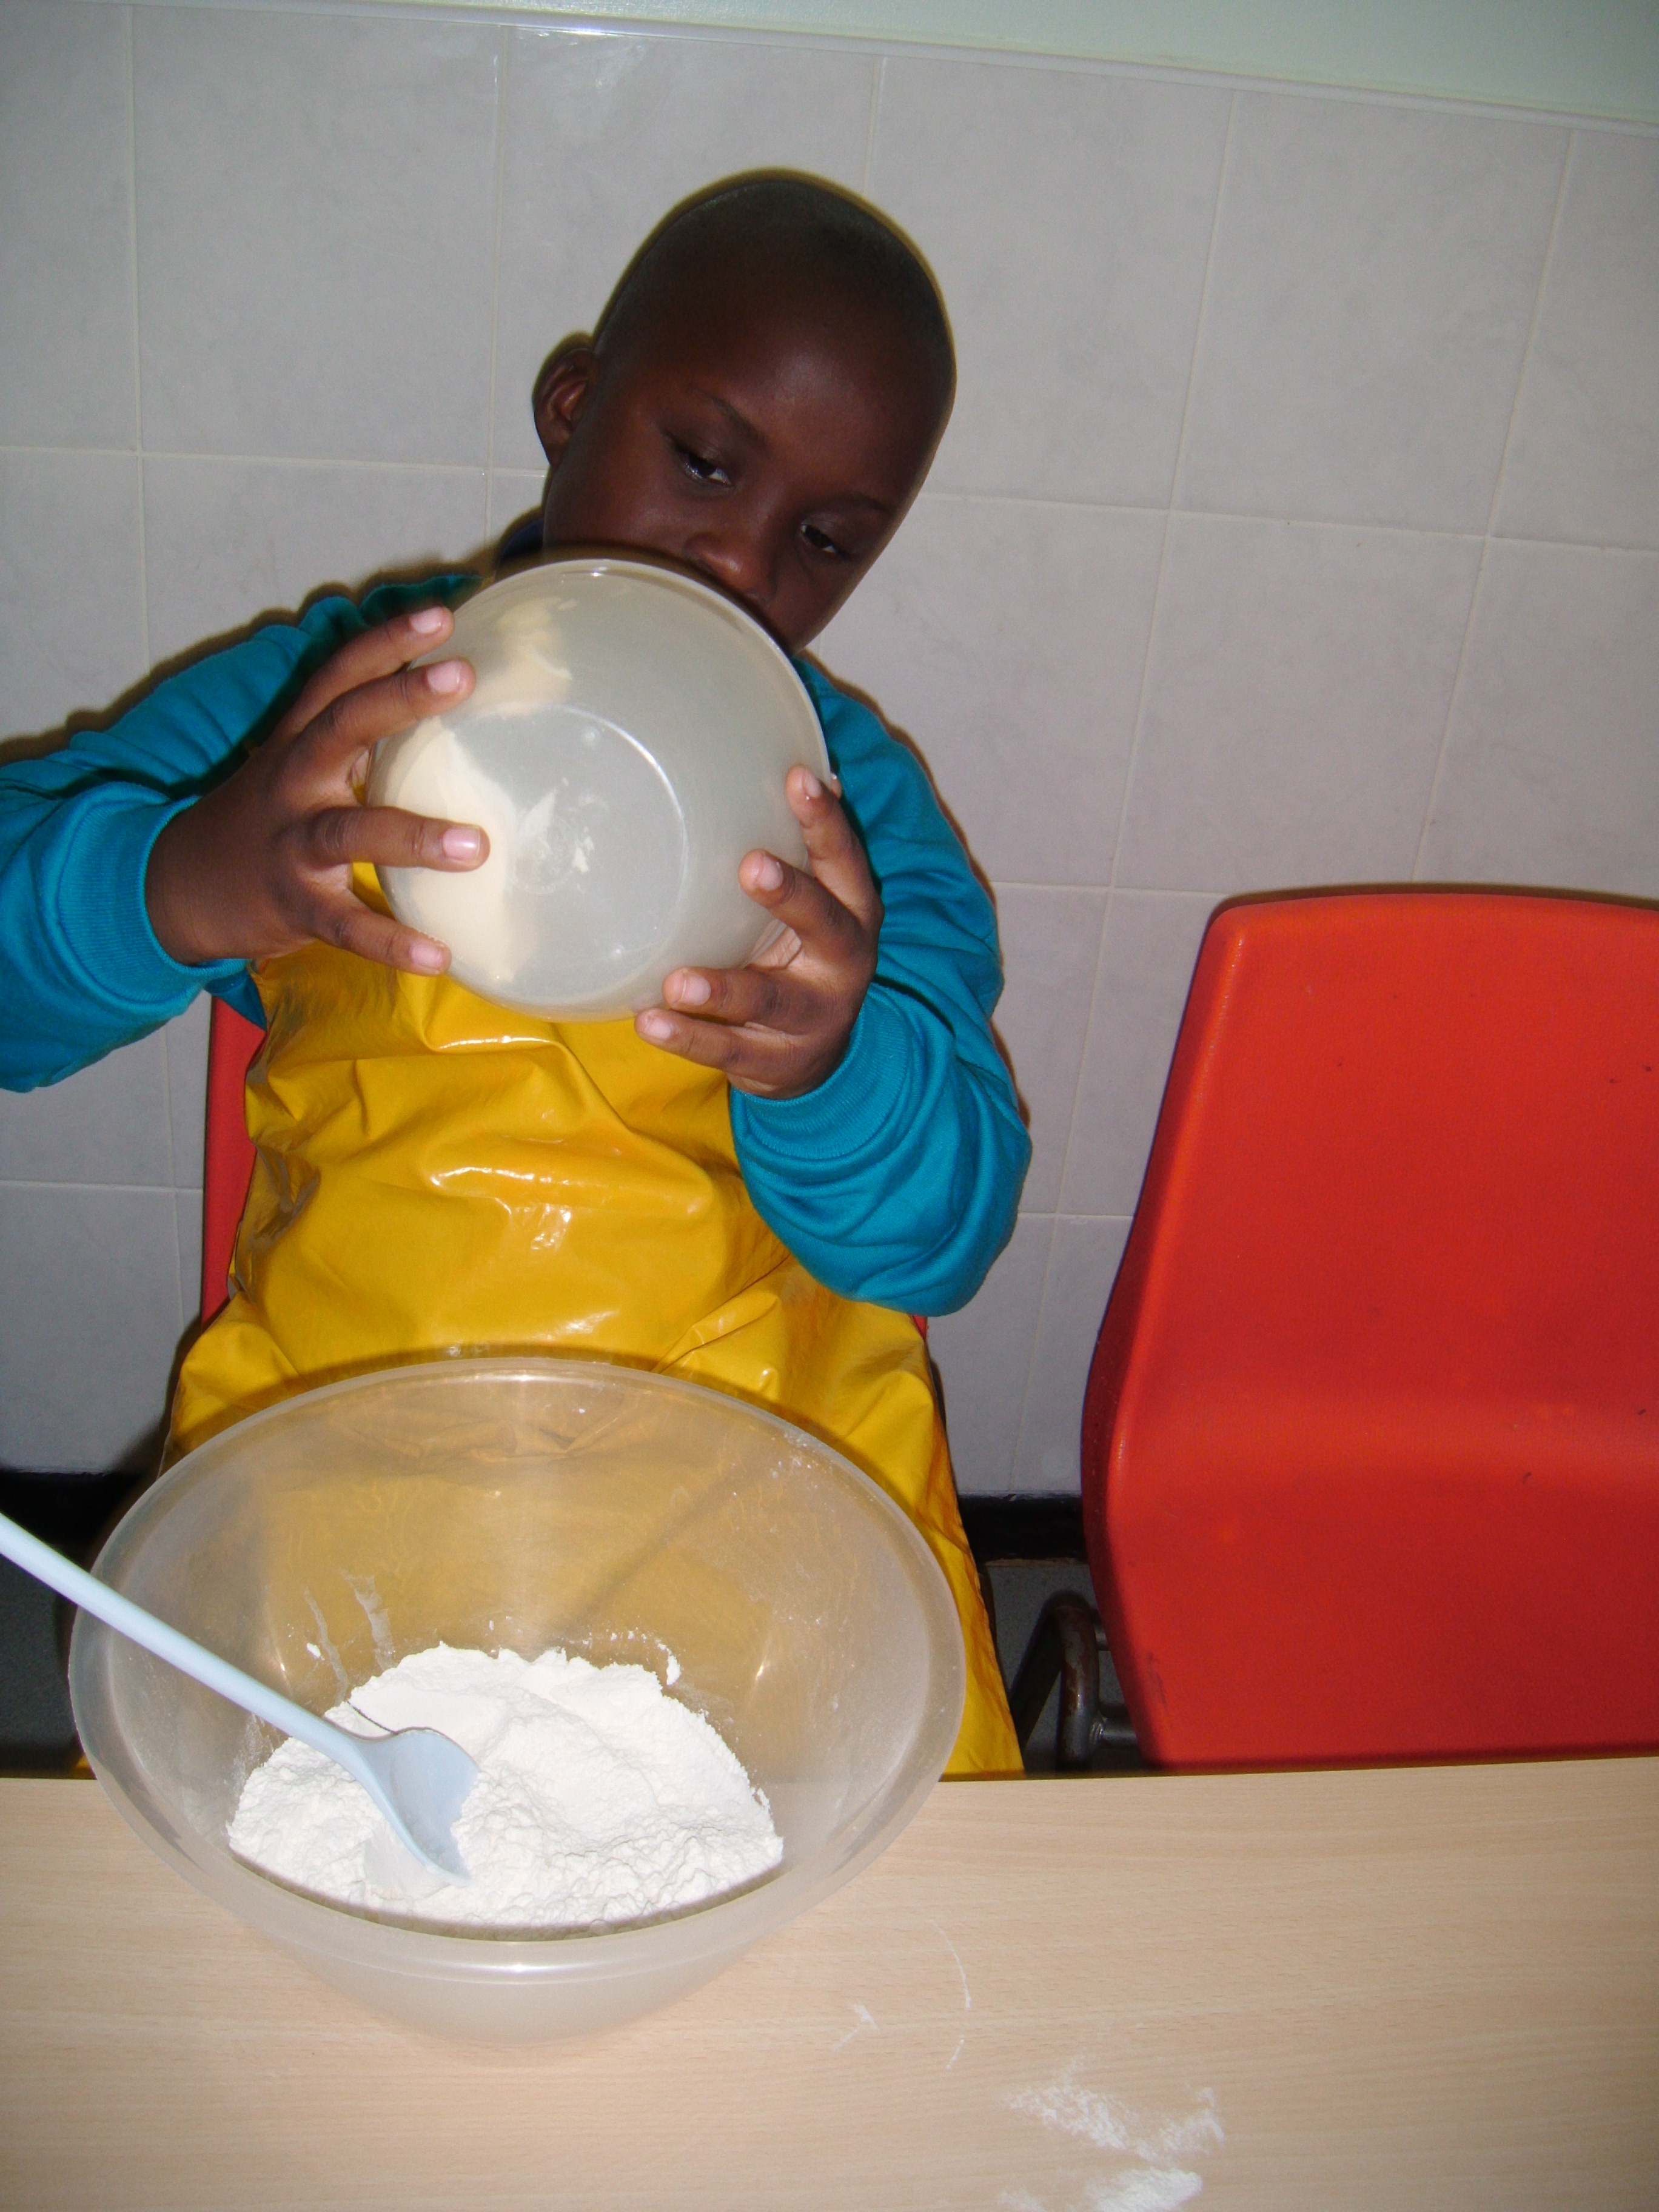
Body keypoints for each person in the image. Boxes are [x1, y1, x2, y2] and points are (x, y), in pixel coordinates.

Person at [0, 177, 1030, 1771]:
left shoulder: (855, 813)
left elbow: (948, 1235)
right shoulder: (322, 704)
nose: (738, 561)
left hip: (760, 1502)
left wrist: (834, 1070)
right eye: (704, 462)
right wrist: (192, 879)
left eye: (825, 541)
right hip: (350, 1474)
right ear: (571, 405)